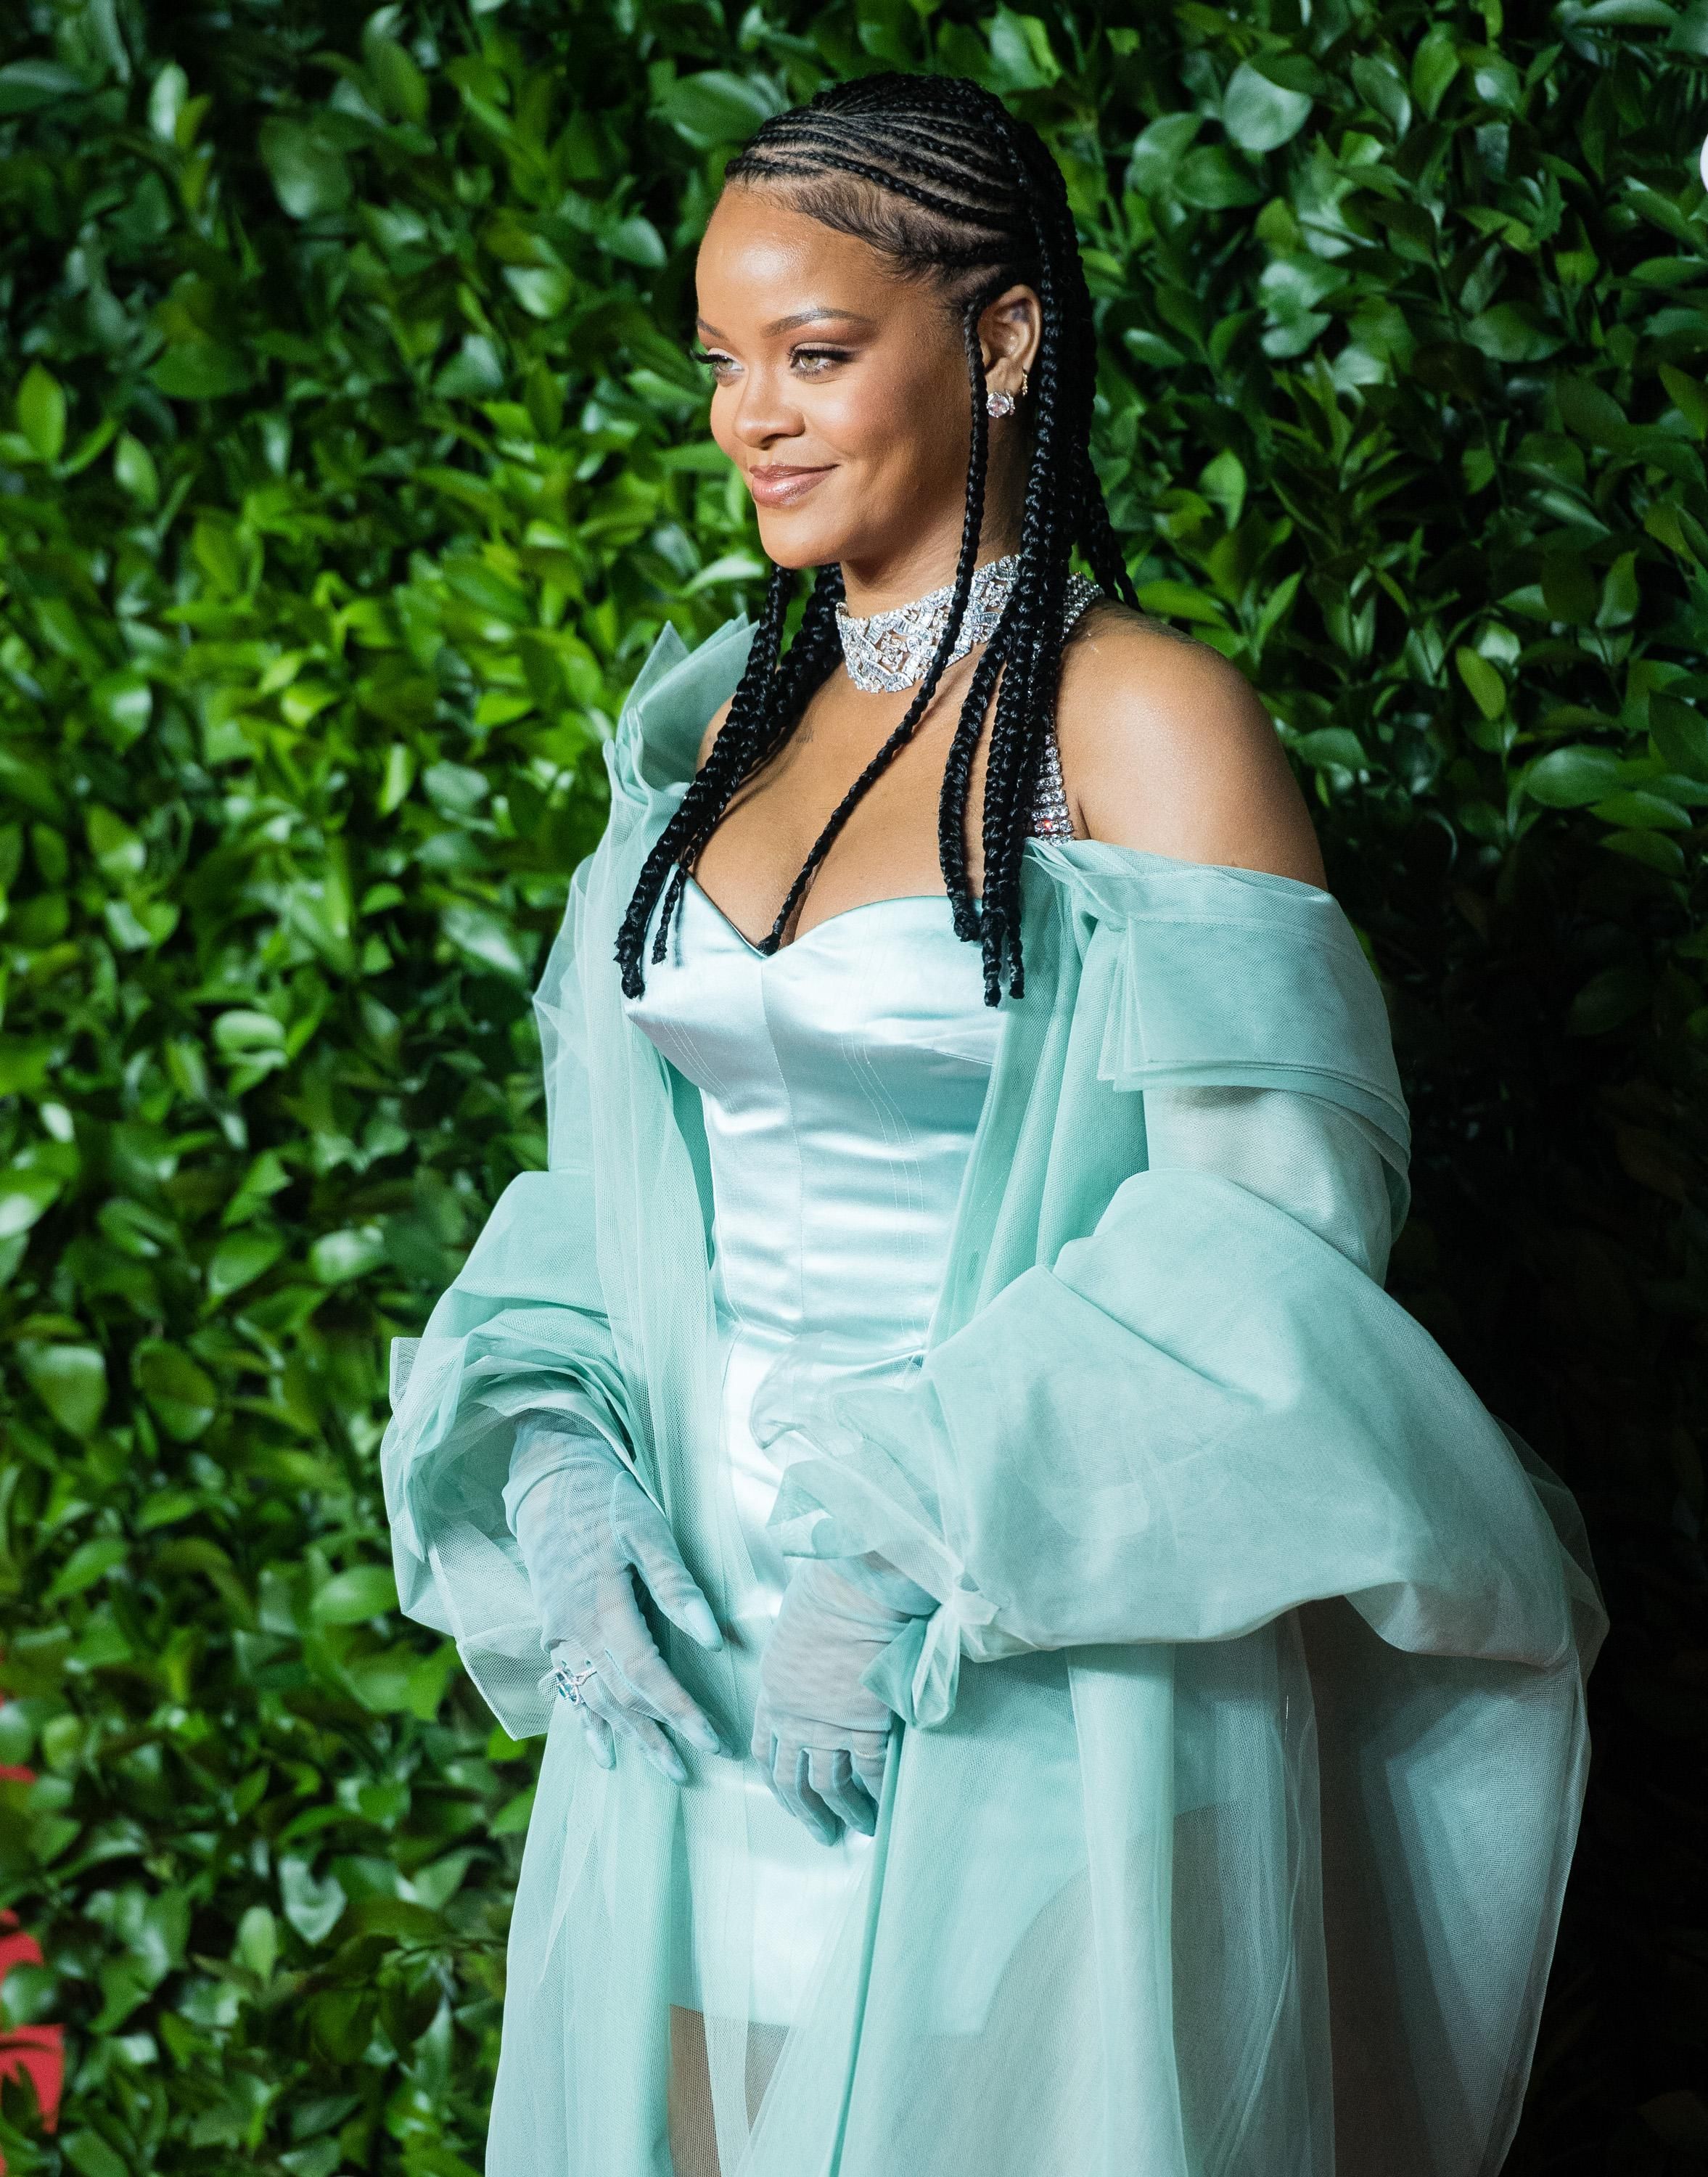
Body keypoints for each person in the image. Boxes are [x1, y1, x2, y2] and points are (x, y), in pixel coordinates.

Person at [380, 70, 1605, 2177]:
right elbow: (611, 1192)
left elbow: (1274, 1237)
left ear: (1005, 338)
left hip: (1021, 1629)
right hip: (692, 1652)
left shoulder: (1138, 718)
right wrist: (564, 1473)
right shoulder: (702, 750)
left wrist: (915, 1525)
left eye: (816, 351)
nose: (747, 416)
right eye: (720, 363)